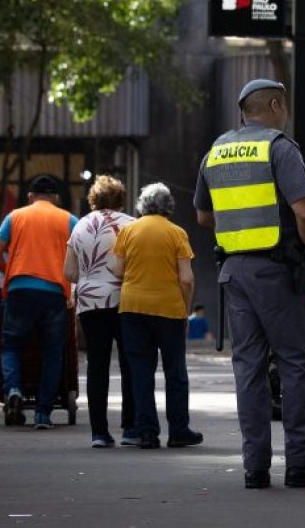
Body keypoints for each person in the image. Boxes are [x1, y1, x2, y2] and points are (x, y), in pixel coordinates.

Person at [194, 78, 305, 490]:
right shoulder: (279, 147)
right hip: (278, 273)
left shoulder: (217, 151)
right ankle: (301, 463)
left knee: (249, 370)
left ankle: (255, 468)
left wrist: (240, 226)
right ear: (276, 104)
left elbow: (203, 217)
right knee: (296, 366)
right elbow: (304, 212)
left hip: (234, 273)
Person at [110, 182, 202, 450]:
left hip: (133, 308)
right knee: (175, 372)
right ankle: (178, 430)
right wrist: (185, 312)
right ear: (169, 206)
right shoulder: (177, 233)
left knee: (140, 371)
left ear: (142, 204)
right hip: (169, 310)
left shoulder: (128, 231)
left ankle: (147, 432)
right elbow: (186, 279)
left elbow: (117, 270)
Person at [0, 174, 77, 430]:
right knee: (52, 352)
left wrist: (11, 271)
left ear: (30, 196)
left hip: (19, 289)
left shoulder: (14, 217)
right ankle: (43, 414)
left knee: (12, 345)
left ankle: (14, 390)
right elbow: (81, 254)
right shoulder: (69, 219)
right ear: (56, 198)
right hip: (54, 292)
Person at [63, 174, 135, 448]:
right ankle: (130, 427)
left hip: (90, 303)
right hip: (126, 299)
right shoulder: (131, 225)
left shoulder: (80, 226)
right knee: (129, 363)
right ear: (121, 198)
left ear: (93, 198)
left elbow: (69, 272)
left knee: (97, 364)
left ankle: (99, 432)